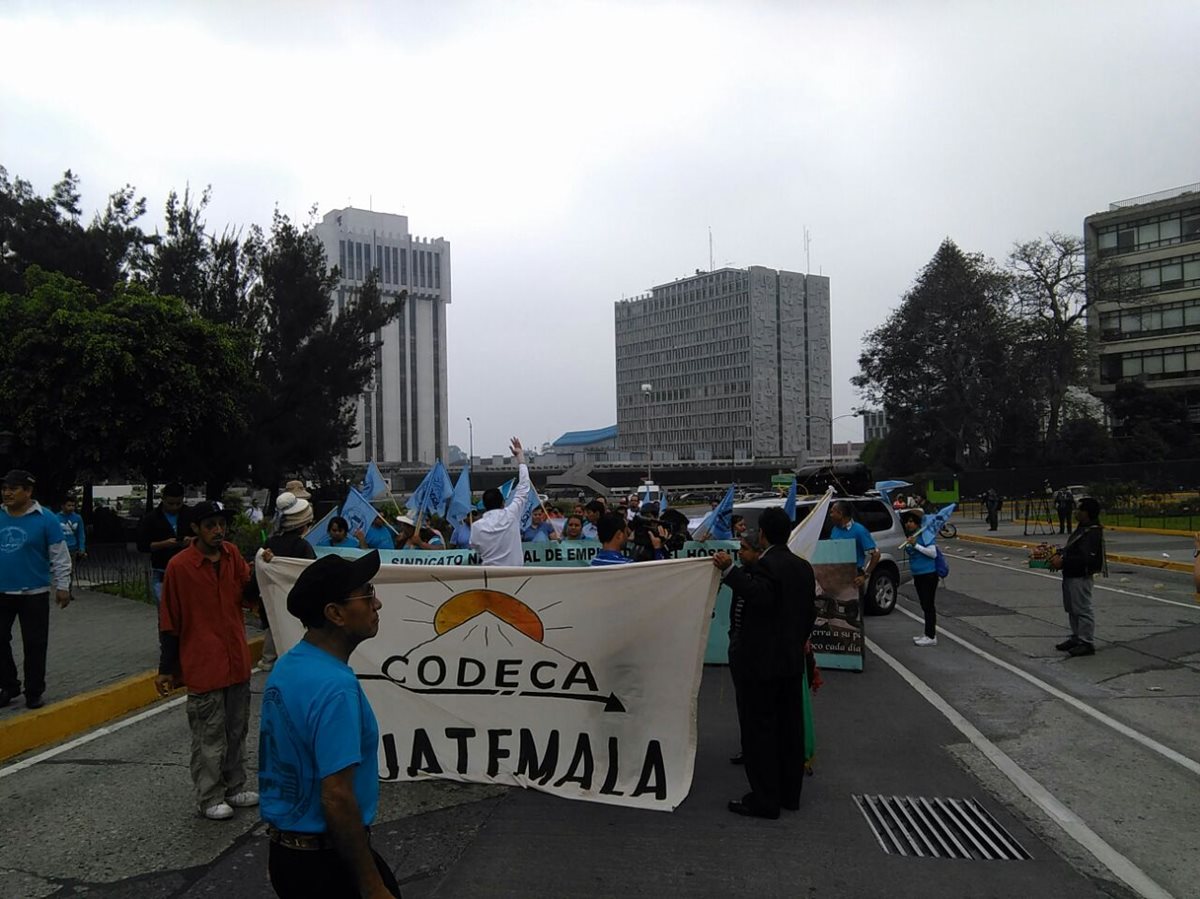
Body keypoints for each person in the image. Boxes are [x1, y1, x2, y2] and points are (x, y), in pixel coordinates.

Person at [259, 550, 400, 898]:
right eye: (367, 595)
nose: (377, 604)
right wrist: (371, 885)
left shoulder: (290, 664)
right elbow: (337, 795)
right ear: (335, 613)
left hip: (288, 858)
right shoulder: (335, 687)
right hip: (326, 864)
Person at [155, 500, 258, 820]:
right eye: (210, 525)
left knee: (236, 729)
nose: (218, 531)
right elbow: (169, 619)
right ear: (195, 529)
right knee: (209, 735)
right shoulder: (180, 567)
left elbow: (248, 595)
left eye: (221, 525)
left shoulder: (232, 557)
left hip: (236, 661)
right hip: (204, 663)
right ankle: (209, 794)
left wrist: (263, 569)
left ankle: (234, 785)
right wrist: (166, 669)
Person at [712, 507, 817, 819]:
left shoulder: (767, 565)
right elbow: (808, 613)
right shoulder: (803, 567)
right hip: (790, 662)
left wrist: (730, 571)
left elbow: (760, 596)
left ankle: (764, 799)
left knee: (760, 732)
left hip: (762, 664)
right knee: (789, 730)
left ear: (764, 534)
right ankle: (789, 794)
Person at [0, 470, 72, 710]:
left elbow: (60, 555)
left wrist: (63, 586)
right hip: (2, 592)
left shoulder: (46, 518)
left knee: (35, 644)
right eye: (5, 488)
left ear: (28, 491)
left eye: (13, 488)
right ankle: (8, 685)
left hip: (35, 593)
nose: (7, 493)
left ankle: (34, 691)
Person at [255, 492, 318, 671]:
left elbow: (259, 570)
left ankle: (268, 661)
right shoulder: (303, 546)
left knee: (272, 629)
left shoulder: (269, 543)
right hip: (296, 600)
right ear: (303, 526)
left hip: (272, 598)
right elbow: (311, 572)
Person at [1050, 497, 1104, 658]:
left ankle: (1086, 642)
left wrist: (1063, 561)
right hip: (1071, 573)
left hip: (1080, 575)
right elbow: (1073, 549)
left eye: (1079, 510)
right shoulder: (1083, 528)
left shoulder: (1092, 532)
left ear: (1086, 513)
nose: (1075, 512)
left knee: (1082, 609)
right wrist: (1059, 554)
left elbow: (1086, 557)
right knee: (1072, 608)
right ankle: (1077, 636)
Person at [726, 532, 762, 766]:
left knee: (755, 704)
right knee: (743, 702)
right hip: (739, 644)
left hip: (754, 651)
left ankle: (757, 750)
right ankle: (748, 747)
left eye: (745, 548)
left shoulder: (760, 578)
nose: (740, 552)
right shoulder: (745, 574)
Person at [471, 438, 531, 566]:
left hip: (490, 577)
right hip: (515, 576)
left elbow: (475, 546)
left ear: (485, 506)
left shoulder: (476, 527)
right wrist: (520, 458)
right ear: (503, 502)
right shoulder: (512, 514)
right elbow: (524, 487)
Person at [137, 482, 189, 604]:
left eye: (178, 503)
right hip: (162, 570)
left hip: (187, 570)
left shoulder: (189, 514)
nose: (174, 507)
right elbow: (142, 546)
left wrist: (191, 541)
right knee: (166, 611)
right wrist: (164, 544)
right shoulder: (151, 518)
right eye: (170, 503)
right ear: (163, 499)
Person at [901, 510, 940, 647]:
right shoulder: (912, 536)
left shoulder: (925, 534)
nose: (908, 524)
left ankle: (931, 636)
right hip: (918, 575)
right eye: (907, 522)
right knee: (924, 605)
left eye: (911, 521)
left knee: (928, 605)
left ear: (917, 523)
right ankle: (927, 633)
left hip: (928, 574)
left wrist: (915, 545)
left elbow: (932, 553)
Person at [828, 501, 880, 595]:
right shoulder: (835, 529)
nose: (830, 515)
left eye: (832, 512)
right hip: (837, 574)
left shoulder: (859, 530)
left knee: (853, 607)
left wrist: (865, 575)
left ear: (840, 514)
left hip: (854, 575)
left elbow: (876, 554)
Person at [57, 496, 87, 566]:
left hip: (73, 548)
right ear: (63, 506)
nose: (71, 508)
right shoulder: (56, 518)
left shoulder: (78, 518)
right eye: (69, 505)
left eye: (73, 505)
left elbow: (81, 533)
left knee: (71, 569)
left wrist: (81, 548)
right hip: (61, 549)